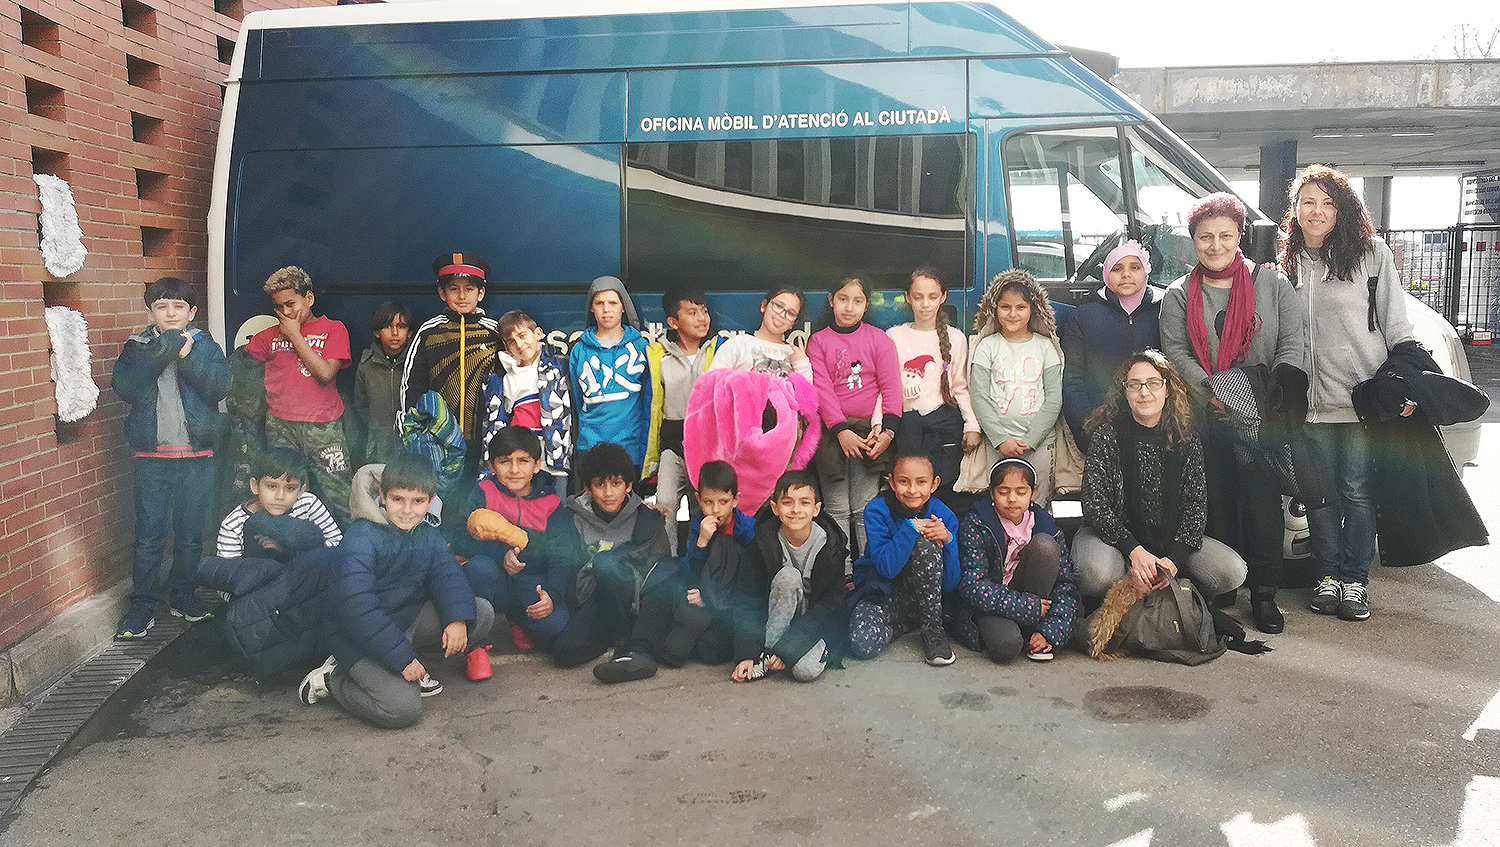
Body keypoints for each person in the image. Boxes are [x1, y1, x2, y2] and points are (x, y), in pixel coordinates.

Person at [1159, 192, 1306, 633]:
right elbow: (1175, 352)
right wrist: (1217, 393)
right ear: (1193, 241)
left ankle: (1264, 593)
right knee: (1214, 501)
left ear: (1239, 235)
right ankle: (1221, 588)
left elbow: (1291, 344)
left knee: (1262, 503)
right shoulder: (1178, 295)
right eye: (1206, 237)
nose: (1216, 245)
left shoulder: (1273, 286)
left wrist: (1269, 396)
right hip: (1206, 415)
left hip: (1261, 414)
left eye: (1225, 235)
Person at [1280, 165, 1415, 622]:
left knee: (1357, 493)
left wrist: (1405, 382)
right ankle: (1326, 577)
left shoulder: (1371, 255)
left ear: (1342, 210)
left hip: (1359, 402)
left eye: (1328, 203)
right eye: (1308, 202)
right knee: (1320, 498)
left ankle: (1355, 581)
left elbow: (1397, 326)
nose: (1317, 211)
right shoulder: (1287, 264)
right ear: (1295, 210)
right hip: (1308, 406)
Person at [298, 452, 495, 729]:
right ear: (382, 495)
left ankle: (413, 667)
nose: (407, 510)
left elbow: (448, 575)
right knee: (401, 709)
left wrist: (457, 620)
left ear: (430, 501)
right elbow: (357, 608)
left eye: (418, 501)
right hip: (356, 637)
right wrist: (402, 659)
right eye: (397, 499)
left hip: (405, 621)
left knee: (481, 612)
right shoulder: (361, 537)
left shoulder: (427, 533)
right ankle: (333, 680)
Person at [1074, 351, 1247, 602]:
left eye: (1154, 383)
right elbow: (1095, 506)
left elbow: (1195, 509)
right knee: (1097, 575)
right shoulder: (1106, 436)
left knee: (1232, 571)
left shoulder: (1186, 439)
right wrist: (1133, 550)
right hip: (1114, 540)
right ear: (1125, 392)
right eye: (1135, 385)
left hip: (1169, 540)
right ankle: (1131, 583)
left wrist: (1173, 561)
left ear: (1167, 390)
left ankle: (1169, 589)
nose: (1144, 392)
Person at [111, 277, 230, 637]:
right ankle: (141, 607)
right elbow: (126, 388)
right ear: (151, 313)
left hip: (197, 455)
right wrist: (164, 349)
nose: (171, 313)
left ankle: (183, 595)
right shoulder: (138, 346)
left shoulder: (206, 346)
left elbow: (219, 387)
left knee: (191, 534)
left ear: (191, 312)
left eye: (179, 307)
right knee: (149, 535)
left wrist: (186, 356)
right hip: (153, 458)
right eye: (162, 307)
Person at [525, 443, 672, 674]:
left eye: (616, 484)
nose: (608, 493)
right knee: (565, 652)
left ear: (628, 486)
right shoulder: (570, 516)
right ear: (588, 488)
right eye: (600, 485)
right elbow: (559, 561)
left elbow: (660, 570)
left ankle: (629, 646)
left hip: (634, 602)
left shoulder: (647, 519)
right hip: (594, 600)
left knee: (607, 563)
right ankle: (617, 643)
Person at [454, 426, 569, 677]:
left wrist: (552, 594)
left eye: (523, 461)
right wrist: (500, 553)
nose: (514, 470)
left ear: (537, 465)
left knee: (556, 625)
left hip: (530, 581)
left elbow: (564, 554)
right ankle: (477, 645)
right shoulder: (483, 492)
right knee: (479, 568)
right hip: (493, 579)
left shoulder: (551, 503)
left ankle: (518, 619)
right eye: (505, 462)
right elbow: (458, 537)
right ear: (492, 466)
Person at [245, 266, 353, 527]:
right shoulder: (268, 337)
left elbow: (325, 374)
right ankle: (287, 542)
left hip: (323, 426)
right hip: (281, 425)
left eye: (291, 304)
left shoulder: (333, 329)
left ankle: (347, 543)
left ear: (309, 298)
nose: (286, 312)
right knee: (283, 491)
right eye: (278, 307)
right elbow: (242, 368)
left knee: (338, 491)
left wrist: (294, 335)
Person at [807, 275, 902, 566]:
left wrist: (887, 433)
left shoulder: (879, 339)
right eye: (843, 299)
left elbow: (891, 387)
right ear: (831, 300)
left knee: (864, 508)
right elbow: (822, 389)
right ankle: (842, 571)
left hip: (869, 434)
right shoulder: (819, 341)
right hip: (833, 434)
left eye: (857, 301)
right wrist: (840, 431)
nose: (849, 307)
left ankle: (867, 569)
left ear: (866, 305)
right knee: (836, 508)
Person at [953, 458, 1078, 664]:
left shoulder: (1045, 525)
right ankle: (1019, 632)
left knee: (1045, 546)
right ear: (991, 493)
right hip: (991, 605)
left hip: (1035, 603)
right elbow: (971, 585)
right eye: (1003, 492)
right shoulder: (978, 523)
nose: (1012, 499)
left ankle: (1035, 634)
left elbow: (1065, 585)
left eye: (1021, 492)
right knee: (1006, 647)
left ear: (1033, 493)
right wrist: (1026, 607)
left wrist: (1051, 631)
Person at [733, 470, 847, 683]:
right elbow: (748, 598)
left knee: (805, 671)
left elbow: (832, 604)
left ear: (816, 509)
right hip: (776, 616)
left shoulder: (831, 547)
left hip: (814, 623)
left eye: (804, 503)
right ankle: (768, 654)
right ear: (775, 508)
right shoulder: (762, 543)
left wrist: (791, 646)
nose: (796, 510)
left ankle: (783, 655)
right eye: (787, 502)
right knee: (788, 577)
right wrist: (747, 654)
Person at [847, 453, 960, 666]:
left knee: (926, 545)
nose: (912, 490)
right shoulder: (877, 510)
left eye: (921, 482)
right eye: (904, 482)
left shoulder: (944, 515)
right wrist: (911, 528)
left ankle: (932, 629)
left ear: (934, 484)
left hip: (927, 600)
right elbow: (886, 568)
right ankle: (905, 626)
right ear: (891, 482)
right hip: (884, 592)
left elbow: (951, 583)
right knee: (863, 642)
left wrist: (949, 540)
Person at [400, 252, 503, 478]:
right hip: (438, 439)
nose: (462, 296)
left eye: (469, 289)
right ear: (442, 293)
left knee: (478, 493)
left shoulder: (494, 332)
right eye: (454, 289)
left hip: (484, 438)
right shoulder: (429, 332)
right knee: (440, 493)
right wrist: (414, 432)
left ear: (481, 293)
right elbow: (412, 385)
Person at [887, 267, 981, 509]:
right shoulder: (894, 336)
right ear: (908, 297)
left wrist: (972, 425)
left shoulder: (956, 338)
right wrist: (880, 425)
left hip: (945, 427)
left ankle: (945, 533)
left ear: (943, 297)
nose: (925, 304)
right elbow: (886, 389)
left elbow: (960, 387)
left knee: (946, 492)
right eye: (918, 297)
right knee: (910, 494)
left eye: (932, 296)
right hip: (907, 427)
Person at [969, 268, 1063, 506]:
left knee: (1037, 505)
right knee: (1003, 502)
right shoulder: (987, 346)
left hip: (1039, 444)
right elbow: (979, 395)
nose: (1013, 314)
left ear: (1033, 309)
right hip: (998, 443)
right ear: (994, 309)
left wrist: (1031, 439)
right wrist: (1000, 439)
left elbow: (1054, 398)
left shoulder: (1045, 347)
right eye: (1005, 307)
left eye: (1021, 307)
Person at [1058, 240, 1163, 451]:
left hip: (1157, 432)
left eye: (1135, 267)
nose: (1126, 275)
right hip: (1100, 433)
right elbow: (1073, 380)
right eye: (1117, 268)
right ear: (1106, 274)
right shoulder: (1084, 315)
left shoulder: (1164, 311)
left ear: (1146, 272)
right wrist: (1089, 429)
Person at [644, 286, 727, 555]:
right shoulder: (659, 355)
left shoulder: (720, 350)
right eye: (692, 313)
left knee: (701, 508)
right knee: (665, 505)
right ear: (673, 322)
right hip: (672, 445)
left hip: (708, 445)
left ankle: (699, 561)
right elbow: (653, 405)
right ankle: (667, 564)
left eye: (704, 311)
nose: (702, 318)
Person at [482, 309, 572, 497]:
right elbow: (498, 423)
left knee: (555, 506)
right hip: (521, 459)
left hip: (555, 460)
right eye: (511, 341)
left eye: (522, 336)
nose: (519, 344)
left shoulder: (561, 367)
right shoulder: (505, 378)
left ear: (538, 333)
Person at [570, 276, 651, 471]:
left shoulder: (641, 347)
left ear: (623, 307)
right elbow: (576, 400)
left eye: (613, 303)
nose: (606, 309)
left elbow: (647, 398)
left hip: (629, 446)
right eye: (600, 303)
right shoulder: (579, 350)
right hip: (590, 445)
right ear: (592, 308)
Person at [214, 446, 342, 561]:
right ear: (255, 486)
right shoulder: (233, 524)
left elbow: (338, 545)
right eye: (271, 486)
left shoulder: (308, 504)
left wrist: (287, 551)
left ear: (301, 491)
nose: (280, 497)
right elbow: (229, 573)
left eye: (290, 488)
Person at [707, 287, 814, 380]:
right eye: (778, 306)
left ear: (793, 323)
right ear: (764, 305)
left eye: (791, 313)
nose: (782, 315)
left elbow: (805, 393)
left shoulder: (795, 355)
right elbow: (712, 383)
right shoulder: (737, 344)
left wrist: (801, 364)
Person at [352, 301, 411, 467]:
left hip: (410, 441)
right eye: (387, 327)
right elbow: (361, 403)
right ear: (377, 333)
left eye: (401, 327)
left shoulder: (416, 361)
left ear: (409, 333)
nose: (395, 333)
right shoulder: (368, 363)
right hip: (378, 443)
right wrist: (377, 426)